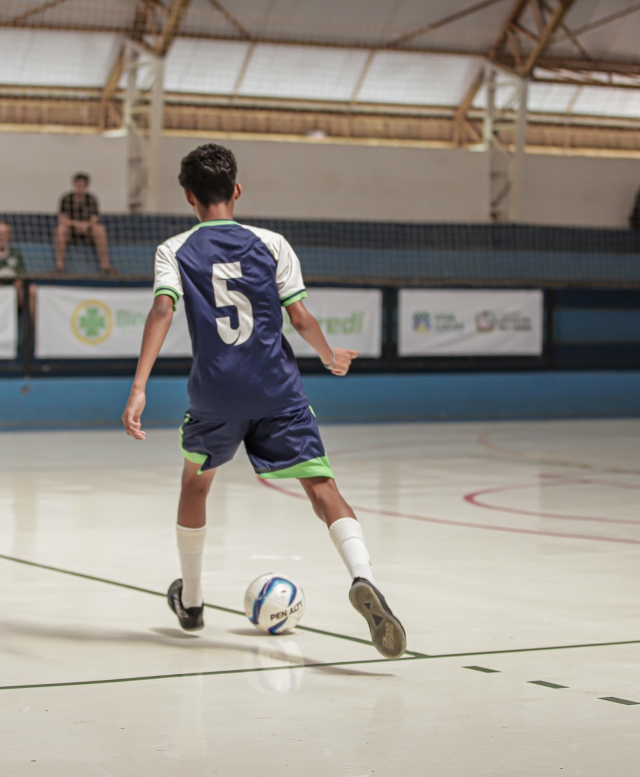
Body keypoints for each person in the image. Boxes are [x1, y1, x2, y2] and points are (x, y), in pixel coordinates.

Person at [121, 143, 406, 660]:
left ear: (188, 197)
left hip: (215, 393)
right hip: (277, 390)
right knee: (322, 486)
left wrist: (139, 386)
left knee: (195, 484)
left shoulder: (174, 249)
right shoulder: (272, 243)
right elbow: (300, 318)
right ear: (237, 190)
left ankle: (193, 600)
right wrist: (329, 356)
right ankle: (362, 576)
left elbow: (162, 311)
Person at [55, 172, 112, 274]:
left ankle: (106, 267)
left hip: (88, 232)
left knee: (100, 229)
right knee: (60, 230)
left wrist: (86, 225)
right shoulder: (66, 199)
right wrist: (76, 224)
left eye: (82, 186)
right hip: (71, 232)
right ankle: (59, 266)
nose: (79, 188)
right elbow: (62, 219)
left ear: (86, 187)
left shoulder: (91, 200)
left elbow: (94, 219)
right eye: (78, 185)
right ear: (74, 185)